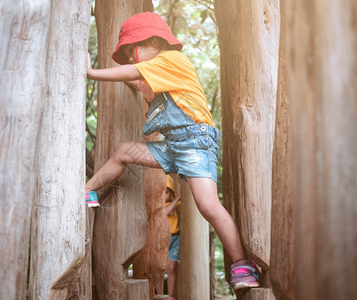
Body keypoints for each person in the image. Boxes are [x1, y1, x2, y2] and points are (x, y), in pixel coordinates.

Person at [85, 12, 260, 290]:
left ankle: (243, 266)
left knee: (207, 205)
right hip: (173, 146)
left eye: (132, 50)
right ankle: (88, 190)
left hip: (194, 142)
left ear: (153, 41)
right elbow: (137, 80)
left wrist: (92, 73)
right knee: (123, 151)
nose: (131, 58)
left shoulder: (173, 60)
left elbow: (134, 73)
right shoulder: (159, 72)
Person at [164, 175, 180, 300]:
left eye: (167, 192)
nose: (164, 195)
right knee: (159, 268)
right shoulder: (156, 205)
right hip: (161, 238)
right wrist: (176, 201)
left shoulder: (176, 205)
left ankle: (170, 296)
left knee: (172, 267)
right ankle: (159, 295)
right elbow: (163, 213)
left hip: (175, 238)